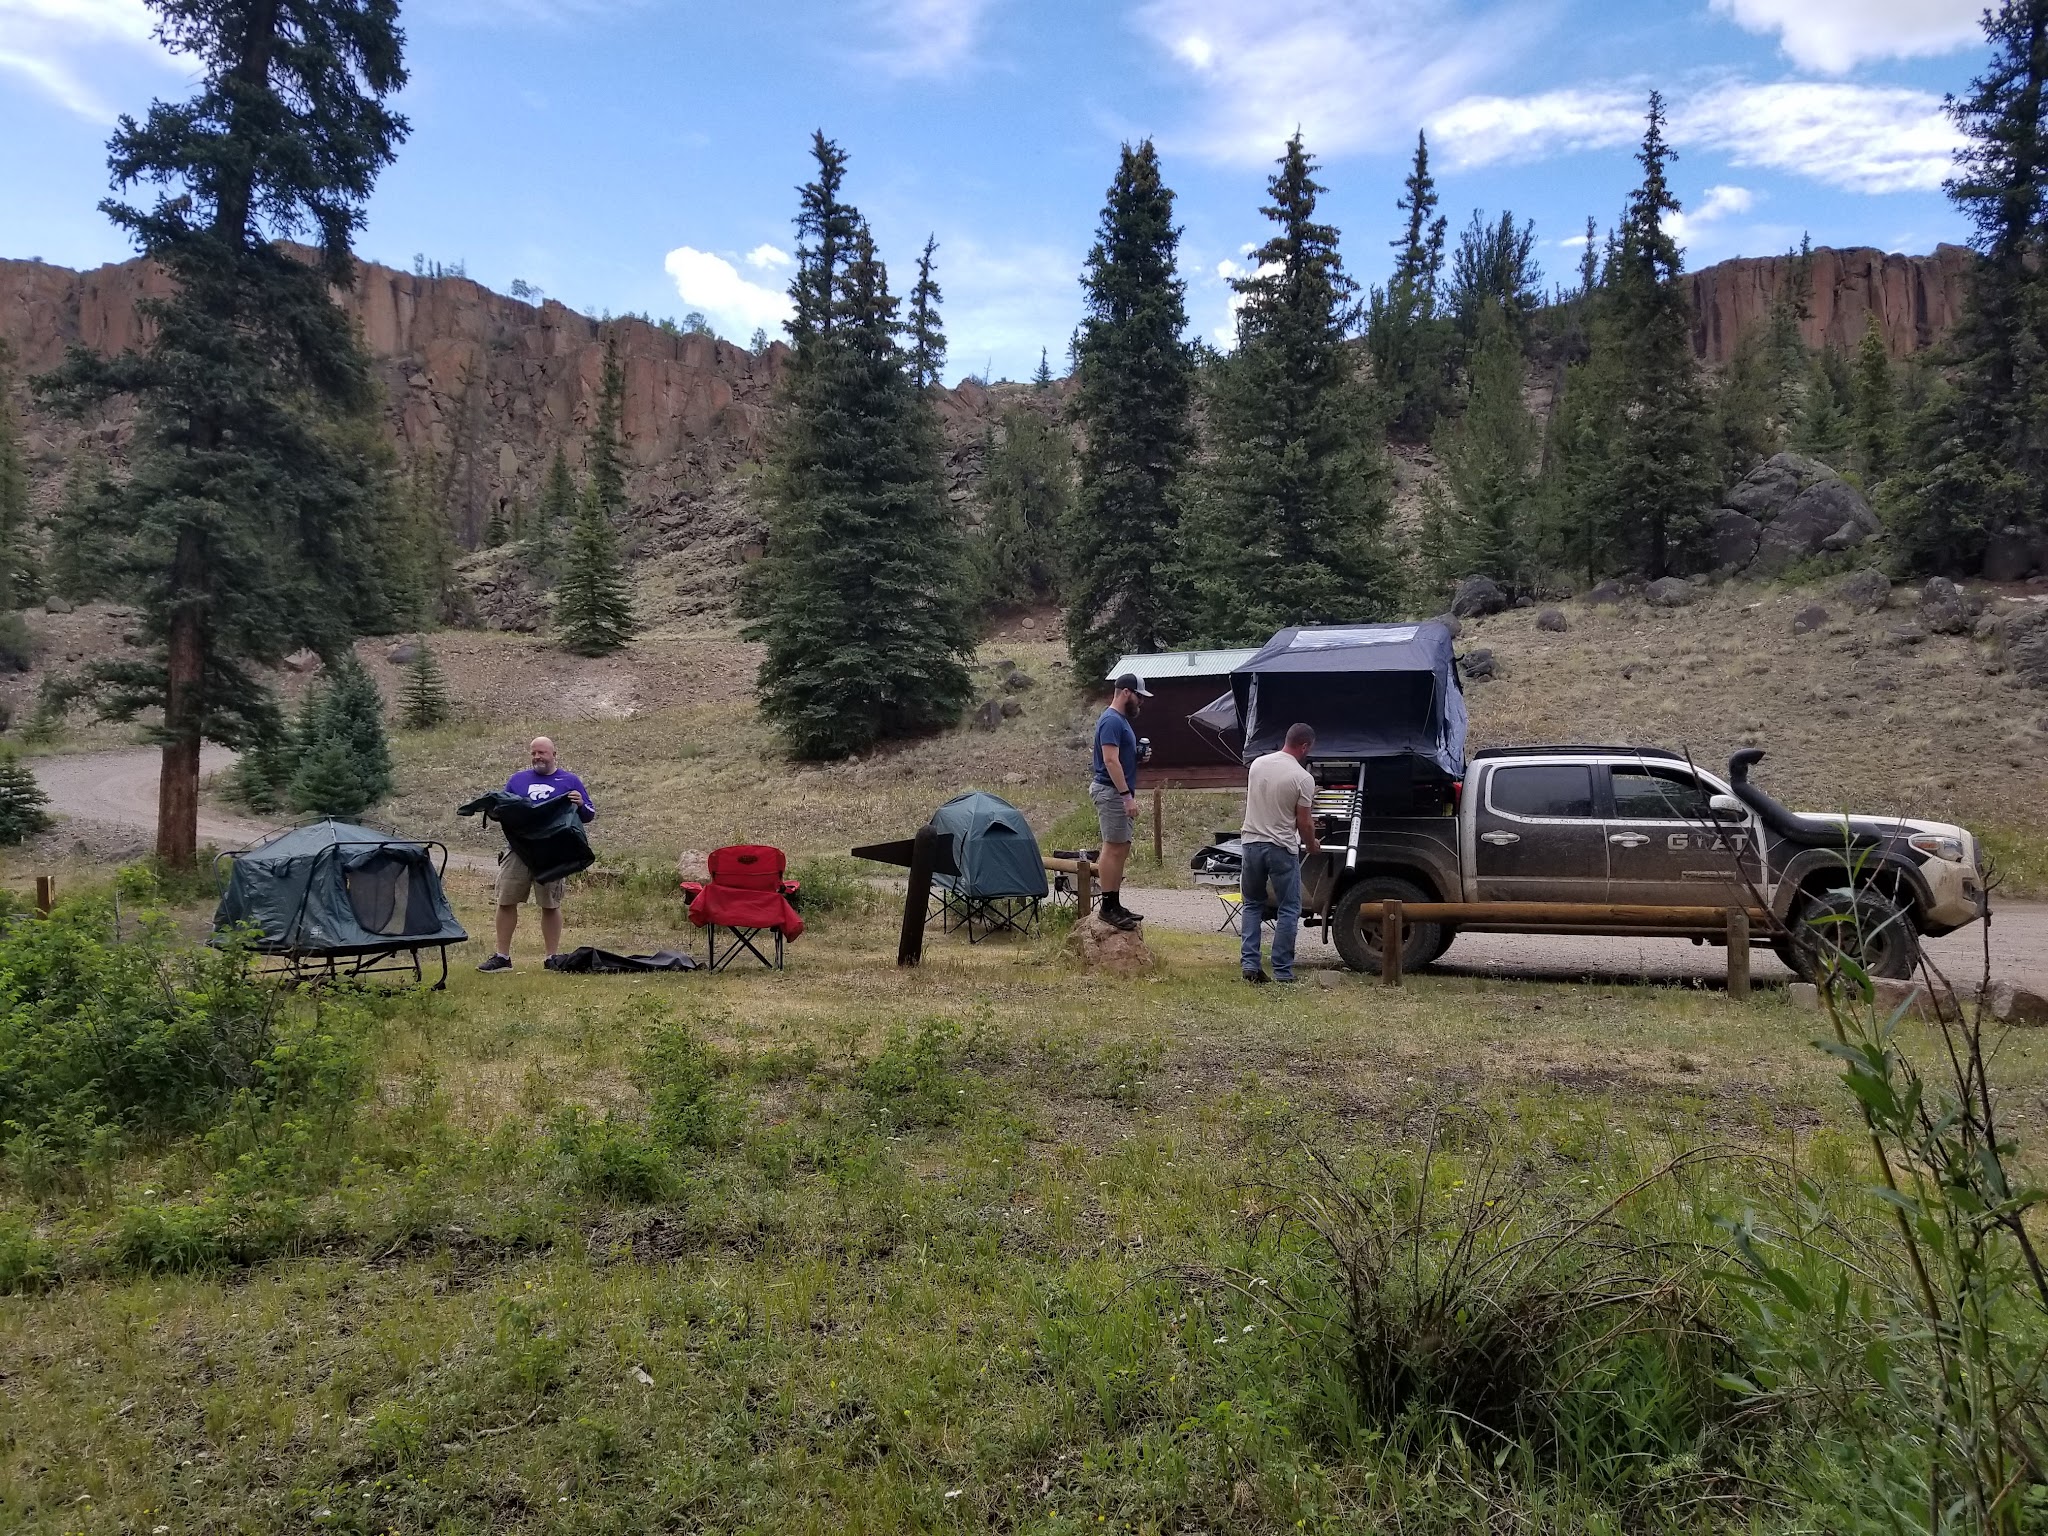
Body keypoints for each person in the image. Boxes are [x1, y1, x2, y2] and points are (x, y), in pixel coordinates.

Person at [478, 736, 597, 972]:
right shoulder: (517, 780)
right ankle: (502, 957)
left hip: (553, 853)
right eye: (533, 753)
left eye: (541, 752)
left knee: (550, 904)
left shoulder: (570, 780)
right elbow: (504, 807)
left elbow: (589, 813)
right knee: (506, 900)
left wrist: (581, 804)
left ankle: (551, 957)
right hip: (518, 851)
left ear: (554, 754)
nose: (537, 757)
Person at [1238, 722, 1321, 984]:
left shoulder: (1258, 765)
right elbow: (1304, 822)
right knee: (1289, 908)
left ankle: (1250, 966)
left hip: (1251, 843)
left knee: (1252, 904)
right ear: (1304, 746)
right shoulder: (1303, 778)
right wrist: (1312, 844)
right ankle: (1282, 971)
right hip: (1280, 848)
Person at [1088, 672, 1151, 932]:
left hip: (1117, 791)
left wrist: (1137, 755)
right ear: (1126, 692)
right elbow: (1110, 760)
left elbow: (1120, 757)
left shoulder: (1120, 721)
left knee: (1121, 846)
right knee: (1113, 848)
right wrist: (1126, 796)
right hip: (1112, 792)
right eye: (1139, 696)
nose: (1141, 702)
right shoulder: (1111, 721)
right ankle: (1107, 907)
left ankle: (1114, 903)